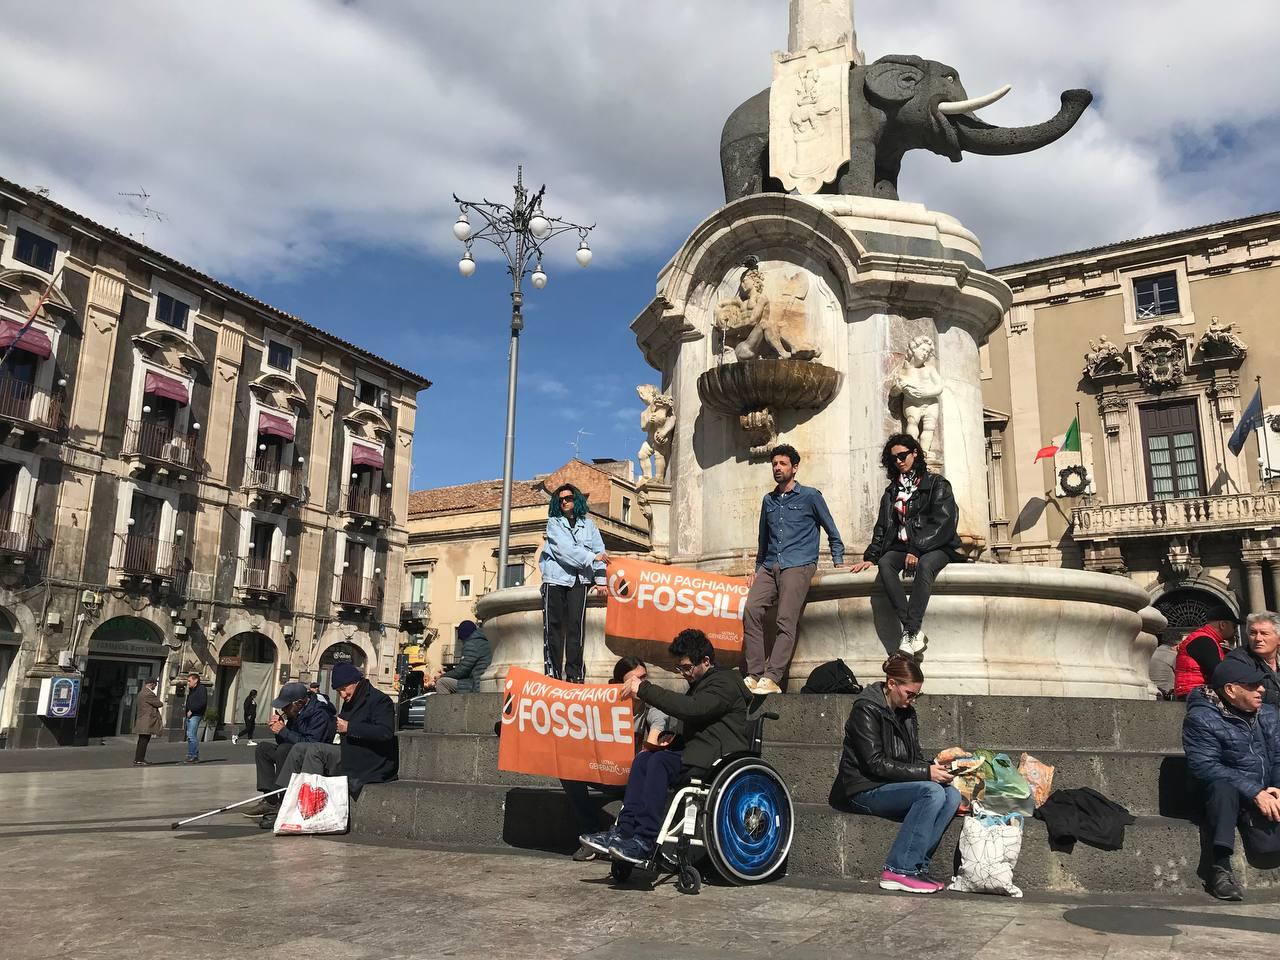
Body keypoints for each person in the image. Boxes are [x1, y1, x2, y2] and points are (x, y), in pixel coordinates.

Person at [581, 629, 749, 865]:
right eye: (680, 668)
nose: (683, 673)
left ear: (706, 661)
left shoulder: (724, 684)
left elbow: (693, 709)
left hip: (716, 759)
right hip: (698, 751)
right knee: (644, 758)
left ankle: (644, 839)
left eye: (687, 667)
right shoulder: (703, 682)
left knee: (659, 762)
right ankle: (624, 830)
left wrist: (645, 689)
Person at [828, 652, 961, 894]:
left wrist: (938, 764)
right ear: (892, 684)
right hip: (862, 788)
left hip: (889, 785)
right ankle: (900, 869)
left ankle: (917, 866)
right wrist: (925, 773)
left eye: (916, 695)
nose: (913, 700)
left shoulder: (906, 713)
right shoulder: (865, 710)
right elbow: (874, 764)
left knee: (951, 795)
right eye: (910, 693)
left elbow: (912, 760)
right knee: (931, 793)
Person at [743, 444, 845, 695]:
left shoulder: (811, 496)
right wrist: (757, 568)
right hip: (769, 565)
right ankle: (755, 674)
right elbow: (762, 539)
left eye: (782, 464)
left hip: (799, 564)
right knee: (751, 610)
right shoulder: (768, 500)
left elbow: (832, 531)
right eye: (774, 464)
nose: (777, 468)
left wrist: (838, 561)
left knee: (785, 619)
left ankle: (773, 676)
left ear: (795, 467)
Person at [850, 434, 962, 659]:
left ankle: (909, 631)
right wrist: (871, 556)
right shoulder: (892, 491)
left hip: (937, 546)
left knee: (926, 565)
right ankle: (913, 630)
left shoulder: (936, 484)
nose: (899, 461)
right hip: (904, 547)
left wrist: (917, 549)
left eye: (903, 455)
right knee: (885, 563)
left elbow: (943, 521)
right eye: (894, 458)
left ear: (915, 454)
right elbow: (882, 526)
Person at [1182, 656, 1280, 900]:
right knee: (1222, 789)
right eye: (1252, 685)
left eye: (1261, 684)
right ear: (1230, 690)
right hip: (1224, 797)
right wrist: (1254, 791)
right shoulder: (1202, 718)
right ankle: (1220, 868)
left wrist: (1277, 787)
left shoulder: (1268, 713)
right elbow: (1204, 766)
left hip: (1264, 789)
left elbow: (1279, 756)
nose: (1261, 690)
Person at [258, 663, 399, 829]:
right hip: (350, 750)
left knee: (314, 749)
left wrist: (350, 727)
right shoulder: (352, 699)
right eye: (338, 690)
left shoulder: (380, 700)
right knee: (297, 749)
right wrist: (281, 730)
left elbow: (385, 732)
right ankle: (281, 798)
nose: (342, 694)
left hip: (369, 758)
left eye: (344, 689)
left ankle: (309, 807)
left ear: (355, 682)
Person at [564, 656, 675, 861]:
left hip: (633, 779)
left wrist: (653, 737)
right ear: (618, 685)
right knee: (566, 769)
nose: (639, 684)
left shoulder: (650, 702)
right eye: (633, 680)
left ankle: (629, 838)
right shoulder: (604, 703)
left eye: (643, 678)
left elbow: (660, 718)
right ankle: (592, 832)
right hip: (603, 771)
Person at [538, 483, 608, 683]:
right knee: (553, 628)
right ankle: (553, 674)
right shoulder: (554, 523)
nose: (564, 502)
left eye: (568, 498)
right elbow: (564, 550)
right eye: (560, 500)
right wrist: (591, 557)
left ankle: (575, 676)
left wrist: (601, 581)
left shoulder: (589, 525)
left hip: (580, 580)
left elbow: (601, 552)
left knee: (576, 629)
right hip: (555, 578)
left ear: (576, 500)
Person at [243, 681, 337, 820]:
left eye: (286, 706)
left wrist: (284, 731)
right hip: (295, 750)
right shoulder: (296, 712)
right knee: (263, 748)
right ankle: (270, 799)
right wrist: (280, 729)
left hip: (314, 756)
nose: (284, 710)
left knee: (284, 750)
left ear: (298, 703)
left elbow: (311, 744)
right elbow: (285, 740)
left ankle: (284, 800)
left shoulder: (319, 713)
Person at [1173, 606, 1238, 700]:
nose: (1235, 630)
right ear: (1223, 625)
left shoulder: (1205, 638)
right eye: (1234, 626)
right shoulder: (1204, 640)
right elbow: (1218, 672)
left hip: (1193, 692)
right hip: (1194, 694)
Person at [1221, 611, 1280, 707]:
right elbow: (1246, 693)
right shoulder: (1237, 659)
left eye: (1264, 633)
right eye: (1253, 633)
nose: (1258, 638)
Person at [428, 620, 492, 694]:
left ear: (463, 636)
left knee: (442, 683)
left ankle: (447, 706)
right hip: (481, 681)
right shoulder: (484, 642)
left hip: (475, 684)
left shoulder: (471, 644)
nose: (461, 643)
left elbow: (462, 671)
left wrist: (442, 676)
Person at [133, 678, 163, 766]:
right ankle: (139, 759)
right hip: (147, 721)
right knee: (144, 740)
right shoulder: (148, 693)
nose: (155, 686)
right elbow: (159, 703)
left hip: (143, 719)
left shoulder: (142, 692)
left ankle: (138, 758)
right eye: (155, 684)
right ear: (151, 684)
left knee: (142, 740)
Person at [183, 673, 207, 763]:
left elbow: (202, 702)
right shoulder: (192, 690)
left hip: (196, 714)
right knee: (189, 736)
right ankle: (190, 754)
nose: (188, 683)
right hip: (190, 715)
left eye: (189, 681)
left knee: (192, 735)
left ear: (196, 680)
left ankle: (194, 755)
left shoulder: (201, 689)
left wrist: (192, 710)